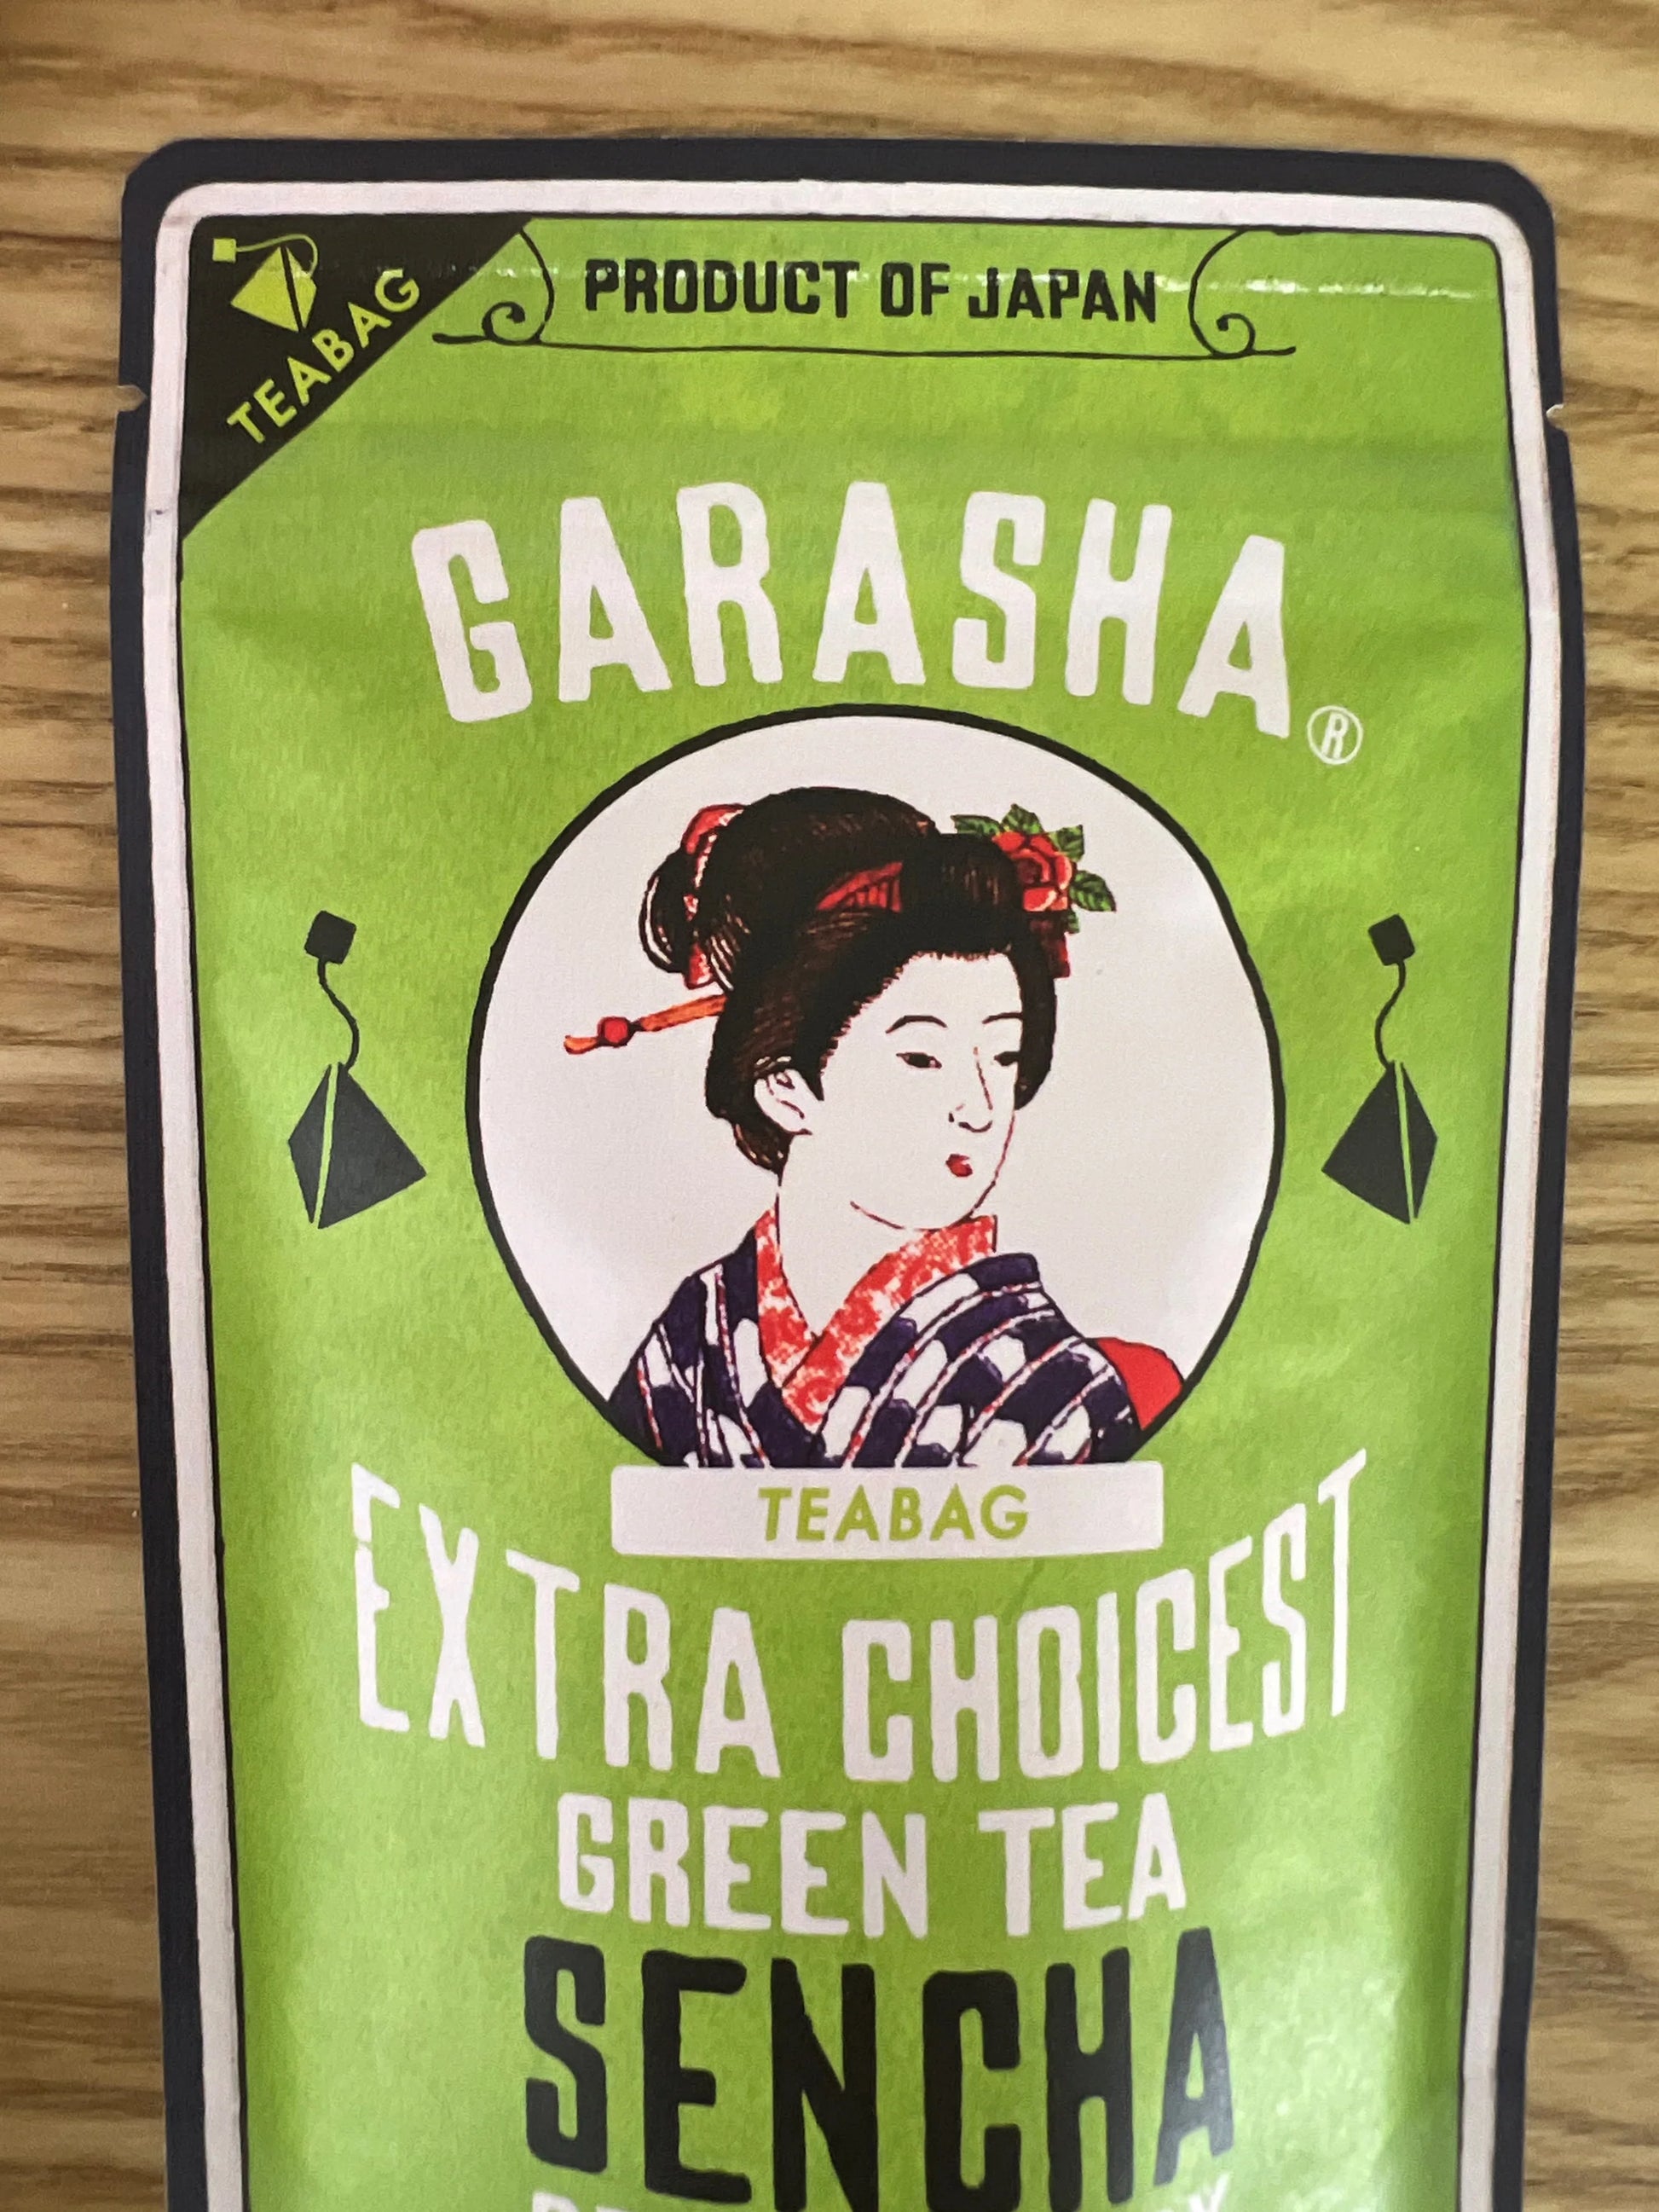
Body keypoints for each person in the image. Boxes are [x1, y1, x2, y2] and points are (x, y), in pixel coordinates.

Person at [566, 786, 1180, 1467]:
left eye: (1004, 1057)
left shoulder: (1051, 1388)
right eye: (922, 1058)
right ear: (786, 1088)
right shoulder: (696, 1335)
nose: (979, 1108)